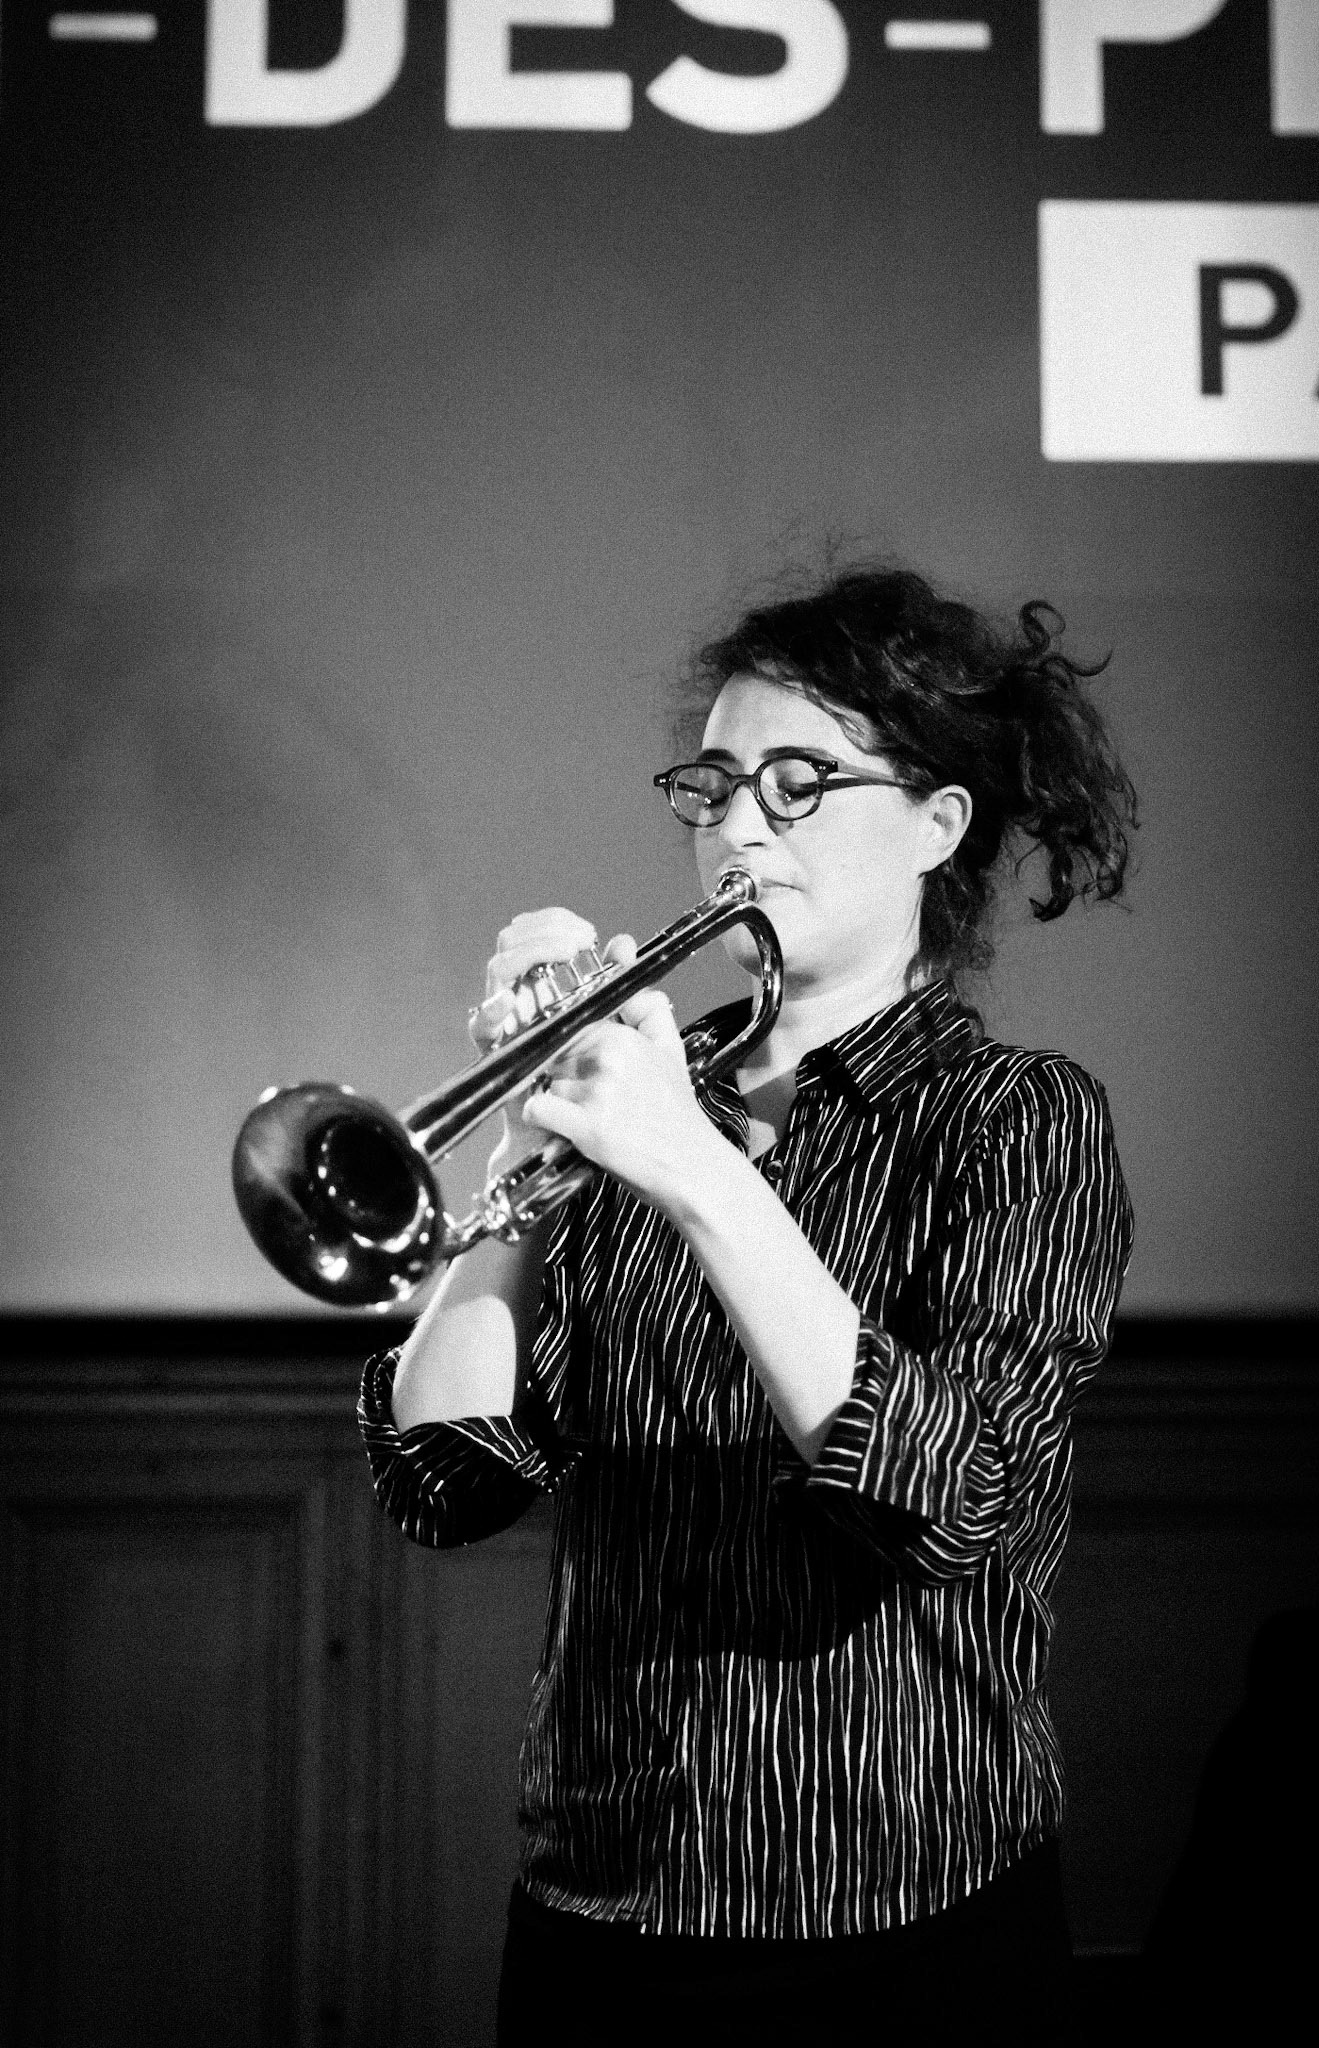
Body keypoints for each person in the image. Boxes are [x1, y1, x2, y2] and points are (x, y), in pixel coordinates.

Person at [358, 563, 1137, 2045]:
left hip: (903, 1918)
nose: (736, 826)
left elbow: (949, 1497)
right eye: (713, 786)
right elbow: (443, 1476)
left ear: (936, 822)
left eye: (797, 784)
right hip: (603, 1904)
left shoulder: (1015, 1119)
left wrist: (695, 1170)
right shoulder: (642, 1093)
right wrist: (528, 1149)